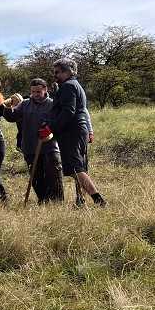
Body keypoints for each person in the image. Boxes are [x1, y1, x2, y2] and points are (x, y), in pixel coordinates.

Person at [48, 58, 106, 207]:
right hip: (77, 130)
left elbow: (68, 111)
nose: (55, 75)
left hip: (71, 131)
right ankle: (80, 201)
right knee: (78, 166)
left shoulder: (68, 86)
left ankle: (98, 200)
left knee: (75, 168)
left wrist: (52, 127)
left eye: (58, 72)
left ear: (68, 71)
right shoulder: (74, 85)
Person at [3, 78, 64, 203]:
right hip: (30, 147)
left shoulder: (52, 104)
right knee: (36, 178)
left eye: (38, 91)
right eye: (33, 91)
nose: (36, 94)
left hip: (50, 147)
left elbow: (60, 122)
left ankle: (57, 203)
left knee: (54, 176)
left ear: (45, 90)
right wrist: (8, 107)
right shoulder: (25, 104)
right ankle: (43, 201)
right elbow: (11, 117)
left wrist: (50, 127)